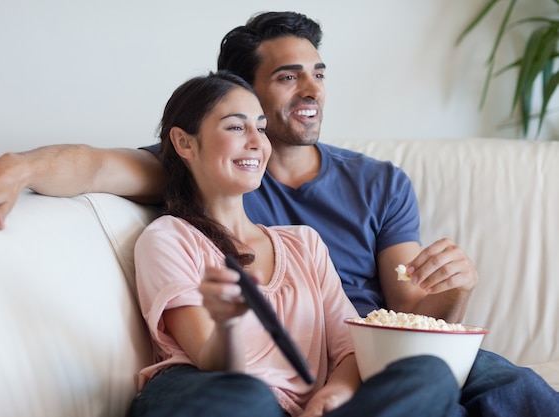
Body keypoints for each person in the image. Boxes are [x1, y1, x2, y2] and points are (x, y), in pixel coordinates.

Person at [0, 10, 557, 415]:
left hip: (359, 349)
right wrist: (20, 166)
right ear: (237, 93)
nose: (312, 91)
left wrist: (450, 298)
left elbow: (408, 309)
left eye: (319, 73)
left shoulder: (377, 184)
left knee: (506, 387)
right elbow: (95, 166)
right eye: (289, 77)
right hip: (247, 373)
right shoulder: (195, 181)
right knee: (240, 398)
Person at [130, 69, 459, 417]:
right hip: (209, 390)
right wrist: (227, 323)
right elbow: (211, 360)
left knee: (431, 374)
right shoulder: (169, 237)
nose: (257, 142)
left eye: (261, 127)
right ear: (185, 143)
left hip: (302, 410)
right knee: (248, 397)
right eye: (236, 127)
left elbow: (348, 347)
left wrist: (335, 392)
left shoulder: (304, 243)